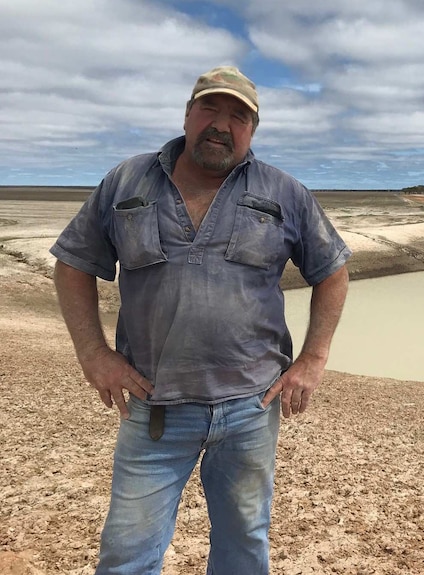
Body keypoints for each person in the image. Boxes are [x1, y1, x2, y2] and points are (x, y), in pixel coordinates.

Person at [50, 66, 351, 574]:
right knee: (127, 555)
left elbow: (333, 271)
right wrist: (94, 354)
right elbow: (73, 263)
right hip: (154, 411)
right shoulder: (128, 180)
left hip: (250, 410)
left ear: (252, 130)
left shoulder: (285, 192)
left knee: (243, 546)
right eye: (210, 108)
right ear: (189, 114)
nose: (221, 124)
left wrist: (313, 358)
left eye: (239, 116)